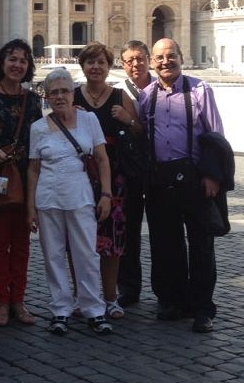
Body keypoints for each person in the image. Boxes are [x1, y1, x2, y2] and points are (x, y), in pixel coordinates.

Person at [139, 38, 225, 333]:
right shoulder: (147, 95)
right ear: (152, 62)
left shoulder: (201, 90)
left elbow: (215, 137)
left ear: (180, 57)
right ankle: (174, 301)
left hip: (195, 179)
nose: (166, 62)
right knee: (166, 245)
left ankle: (202, 307)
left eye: (171, 55)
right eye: (160, 57)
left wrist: (213, 176)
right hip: (160, 180)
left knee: (201, 245)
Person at [28, 69, 113, 335]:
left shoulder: (89, 120)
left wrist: (106, 194)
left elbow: (101, 159)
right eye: (54, 92)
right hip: (48, 197)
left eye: (64, 91)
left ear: (73, 92)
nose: (60, 96)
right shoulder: (38, 128)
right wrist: (29, 207)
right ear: (47, 96)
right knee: (53, 256)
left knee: (86, 254)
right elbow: (33, 169)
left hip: (80, 196)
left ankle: (93, 308)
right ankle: (60, 309)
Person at [0, 39, 42, 326]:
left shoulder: (33, 100)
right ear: (2, 62)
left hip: (27, 178)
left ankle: (19, 300)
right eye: (13, 59)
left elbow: (39, 141)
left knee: (22, 244)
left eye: (23, 61)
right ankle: (1, 300)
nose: (17, 65)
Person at [73, 42, 142, 320]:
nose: (96, 67)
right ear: (83, 67)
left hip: (114, 177)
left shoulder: (119, 96)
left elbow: (140, 132)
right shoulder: (74, 96)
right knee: (78, 240)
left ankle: (111, 298)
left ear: (108, 66)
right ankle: (84, 297)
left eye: (101, 62)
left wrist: (127, 119)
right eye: (90, 62)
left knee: (112, 240)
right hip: (79, 175)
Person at [114, 40, 154, 306]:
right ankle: (129, 287)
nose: (135, 65)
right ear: (122, 64)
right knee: (128, 231)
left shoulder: (161, 86)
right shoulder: (118, 92)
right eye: (129, 61)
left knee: (164, 231)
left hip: (161, 168)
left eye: (139, 59)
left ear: (148, 58)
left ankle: (168, 291)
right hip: (130, 170)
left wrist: (129, 120)